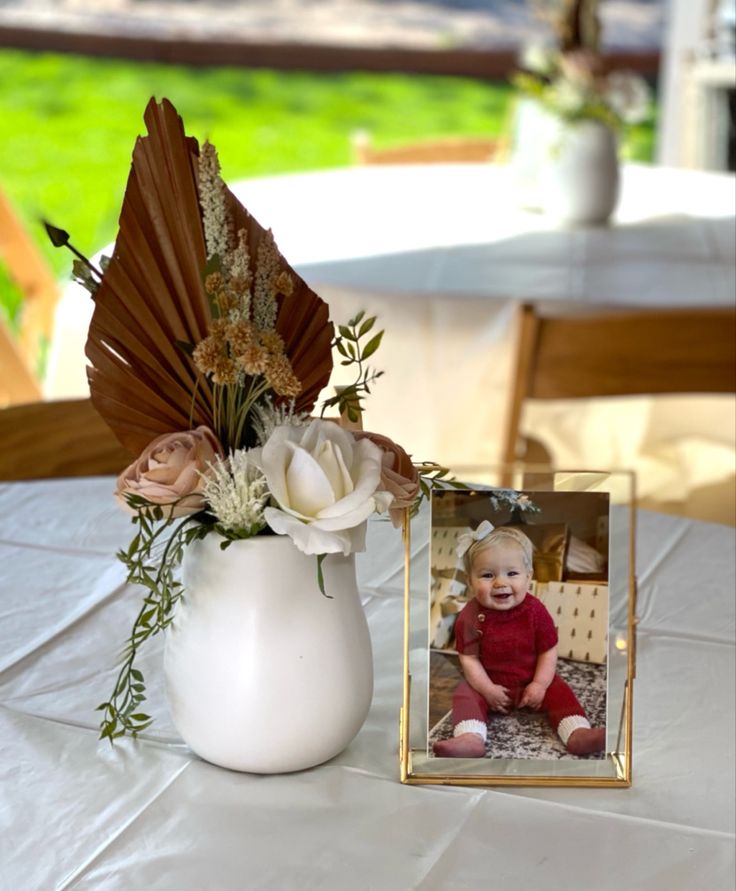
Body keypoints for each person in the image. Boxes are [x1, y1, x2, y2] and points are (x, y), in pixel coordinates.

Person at [432, 521, 605, 758]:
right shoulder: (470, 617)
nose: (500, 582)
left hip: (531, 680)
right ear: (470, 581)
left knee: (560, 690)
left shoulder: (535, 611)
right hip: (490, 682)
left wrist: (539, 685)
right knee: (464, 693)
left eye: (512, 573)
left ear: (528, 577)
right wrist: (487, 689)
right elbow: (469, 659)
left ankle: (577, 733)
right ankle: (470, 737)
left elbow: (548, 650)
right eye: (487, 575)